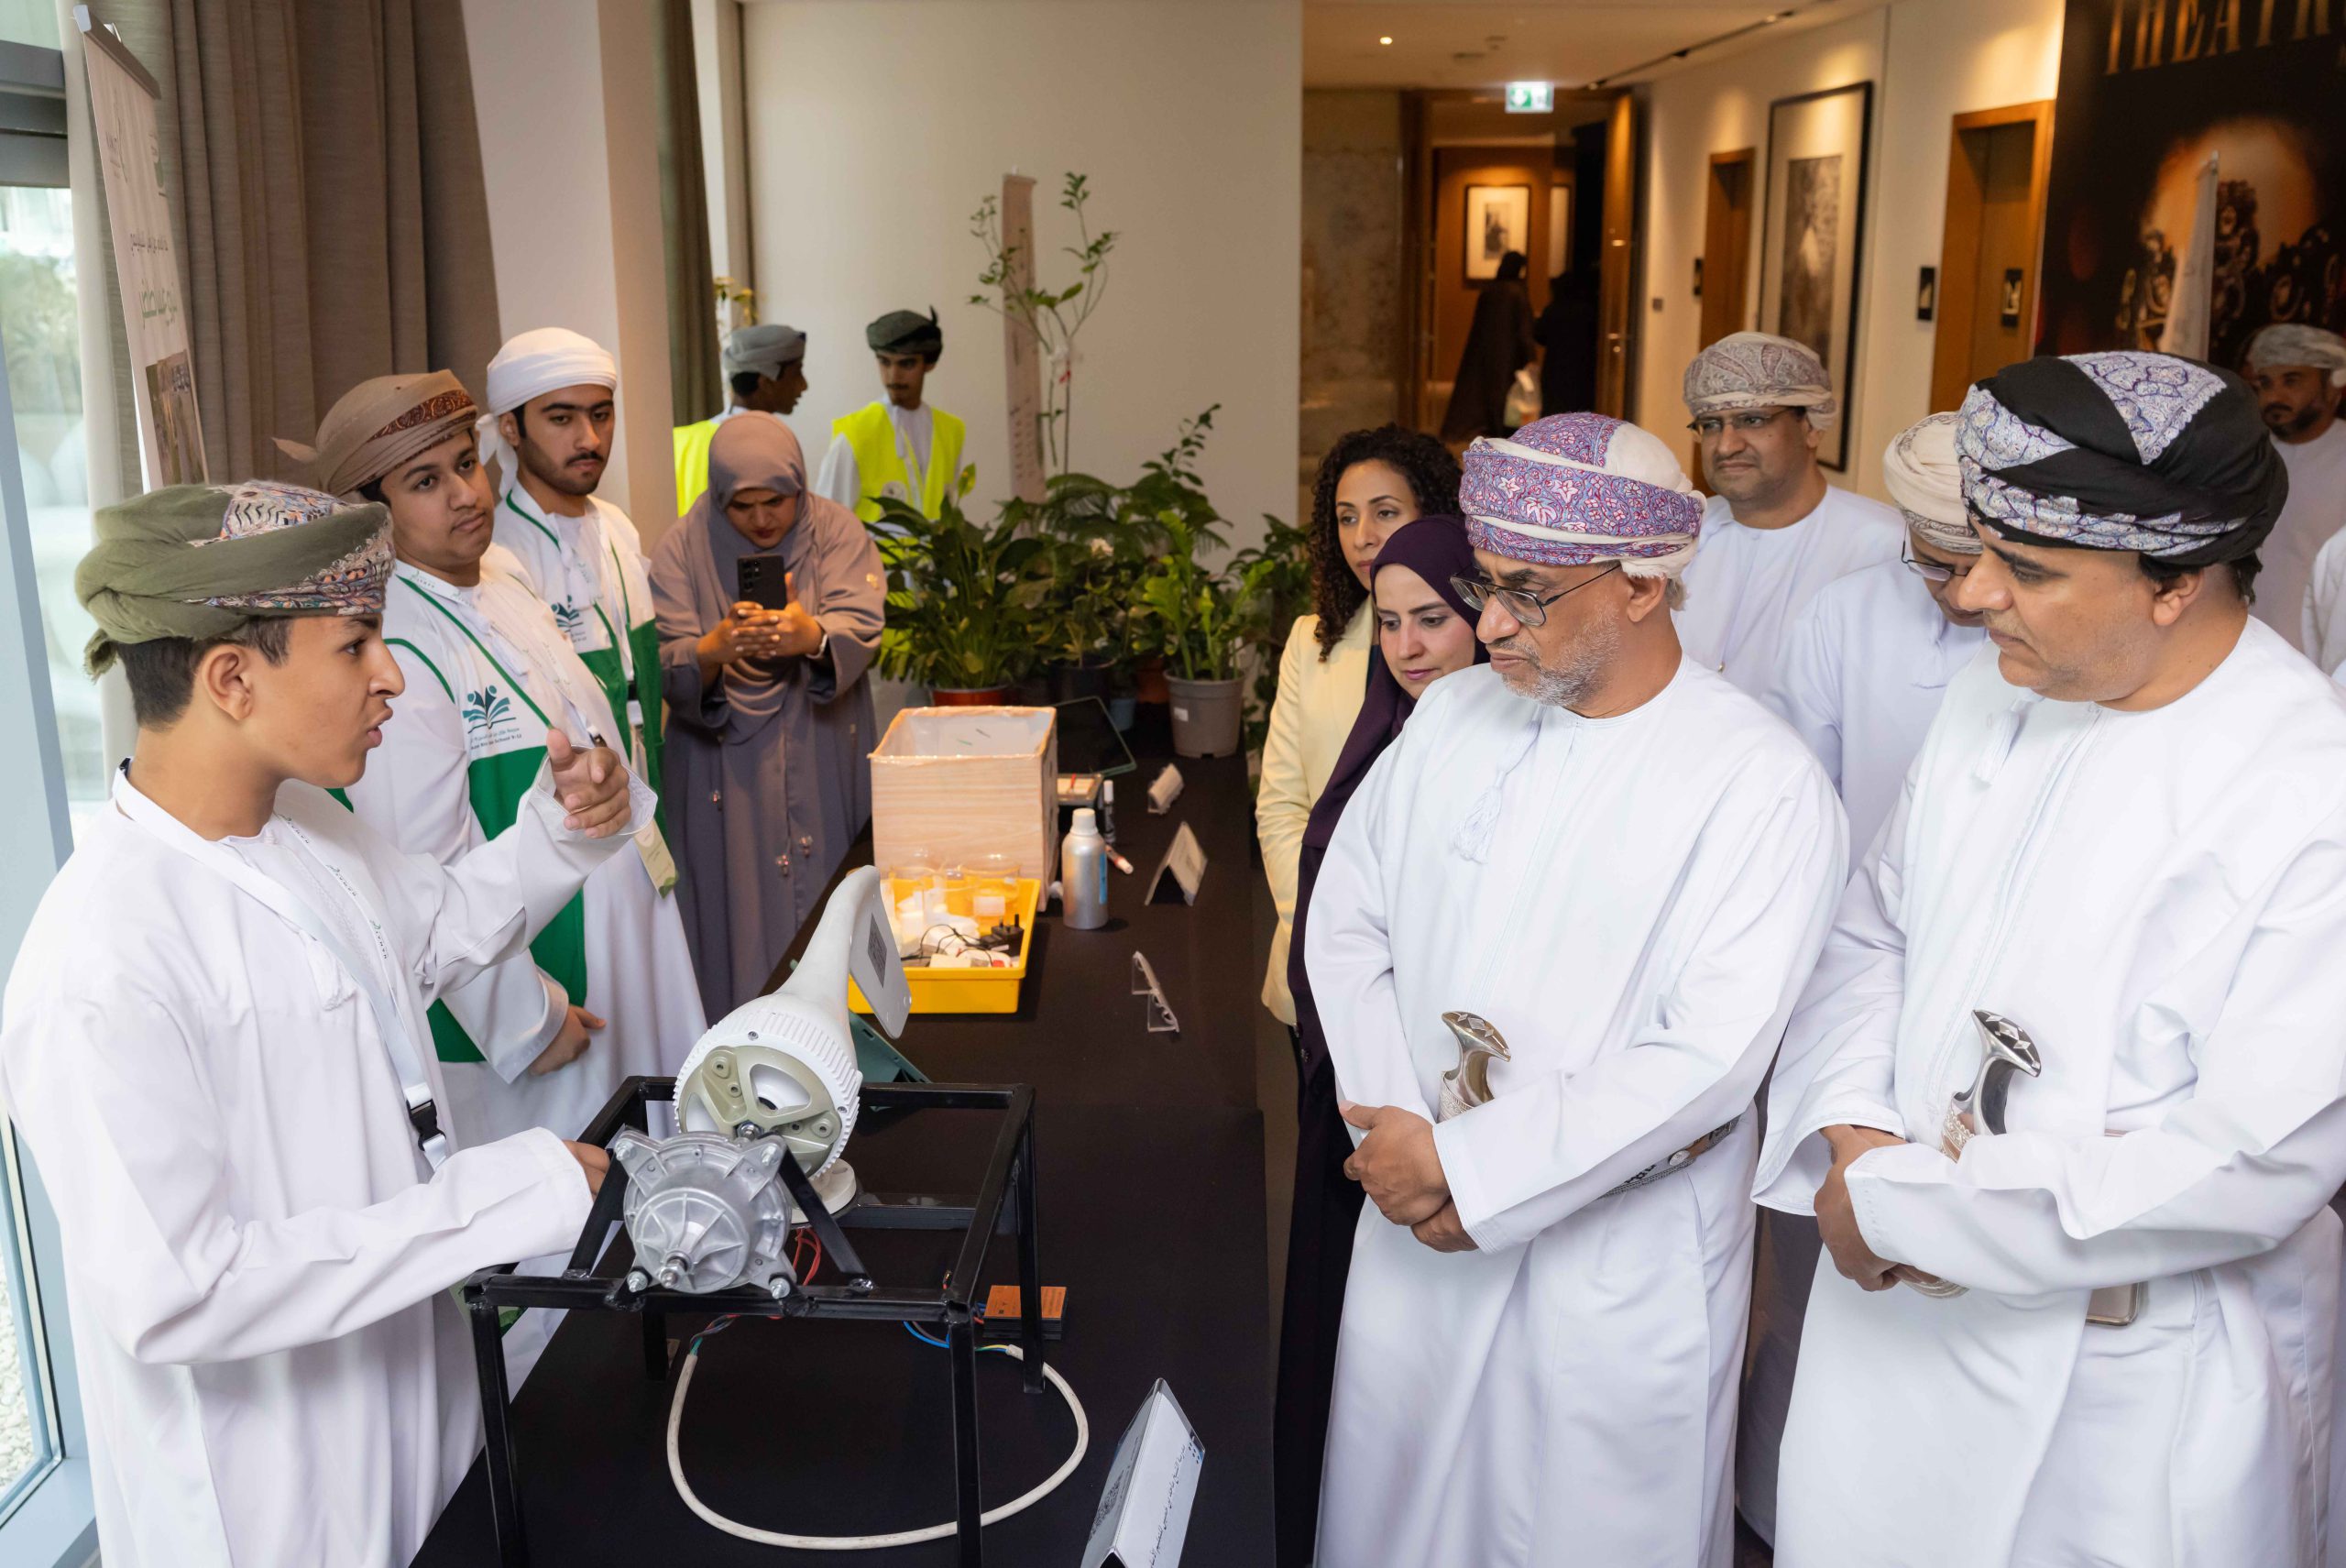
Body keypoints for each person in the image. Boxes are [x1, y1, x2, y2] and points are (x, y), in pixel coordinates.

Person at [1757, 351, 2346, 1567]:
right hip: (1892, 1320)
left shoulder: (2307, 785)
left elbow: (2252, 1158)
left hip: (2130, 1379)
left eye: (2025, 568)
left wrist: (1911, 1205)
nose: (1974, 596)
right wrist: (1858, 1137)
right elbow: (1876, 929)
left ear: (2174, 579)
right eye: (1978, 552)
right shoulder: (2001, 694)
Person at [0, 479, 644, 1567]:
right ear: (232, 678)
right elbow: (181, 1293)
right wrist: (494, 1199)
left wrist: (561, 827)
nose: (390, 673)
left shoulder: (301, 823)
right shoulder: (101, 959)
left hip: (424, 1416)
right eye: (355, 645)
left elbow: (437, 929)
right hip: (277, 1501)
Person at [1303, 411, 1845, 1567]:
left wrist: (1471, 1168)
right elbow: (1348, 921)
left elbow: (1709, 1057)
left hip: (1612, 1256)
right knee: (1394, 1509)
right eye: (1486, 585)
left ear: (1643, 584)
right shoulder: (1453, 715)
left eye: (1528, 593)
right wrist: (1394, 1121)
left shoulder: (1759, 781)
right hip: (1412, 1201)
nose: (1491, 623)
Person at [304, 371, 704, 1149]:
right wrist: (529, 1019)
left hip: (624, 942)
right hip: (549, 993)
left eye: (466, 463)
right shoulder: (396, 646)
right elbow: (421, 870)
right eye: (426, 481)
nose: (466, 494)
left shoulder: (503, 576)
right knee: (584, 1194)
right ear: (374, 513)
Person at [1735, 411, 1988, 1545]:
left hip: (1989, 1014)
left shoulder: (2054, 649)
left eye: (1974, 560)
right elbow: (1804, 821)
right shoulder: (1841, 616)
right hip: (1850, 982)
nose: (1961, 591)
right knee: (1819, 1290)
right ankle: (1776, 1510)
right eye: (1930, 563)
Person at [1273, 515, 1483, 1568]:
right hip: (1363, 1086)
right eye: (1389, 624)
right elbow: (1341, 917)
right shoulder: (1387, 731)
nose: (1406, 646)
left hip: (1458, 1112)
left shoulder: (1496, 745)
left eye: (1431, 619)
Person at [652, 414, 884, 1018]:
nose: (761, 520)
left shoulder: (835, 531)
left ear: (799, 486)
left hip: (818, 746)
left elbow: (861, 619)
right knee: (737, 915)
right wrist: (714, 649)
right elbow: (664, 657)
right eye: (742, 505)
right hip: (727, 777)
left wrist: (813, 636)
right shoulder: (683, 547)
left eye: (776, 501)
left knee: (831, 907)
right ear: (718, 497)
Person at [1256, 427, 1462, 1043]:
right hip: (1317, 959)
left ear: (1434, 514)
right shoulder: (1311, 641)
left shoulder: (1478, 644)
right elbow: (1282, 807)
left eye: (1385, 512)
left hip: (1439, 977)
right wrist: (1324, 929)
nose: (1363, 535)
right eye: (1346, 517)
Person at [480, 327, 667, 816]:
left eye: (601, 415)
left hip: (644, 788)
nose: (590, 439)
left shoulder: (619, 528)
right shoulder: (495, 557)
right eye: (561, 418)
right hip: (574, 812)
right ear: (511, 428)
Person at [1673, 331, 1902, 695]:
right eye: (1712, 424)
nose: (1727, 445)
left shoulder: (1885, 547)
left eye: (1753, 420)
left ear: (1810, 427)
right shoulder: (1678, 533)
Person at [2245, 325, 2346, 663]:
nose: (2274, 396)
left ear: (2333, 385)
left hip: (2318, 664)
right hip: (2237, 652)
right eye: (2265, 383)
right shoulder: (2248, 458)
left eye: (2292, 381)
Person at [815, 307, 968, 527]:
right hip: (869, 552)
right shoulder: (855, 433)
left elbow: (949, 510)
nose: (893, 376)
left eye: (907, 364)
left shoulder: (951, 430)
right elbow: (827, 523)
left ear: (929, 364)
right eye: (884, 362)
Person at [674, 322, 809, 513]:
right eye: (797, 373)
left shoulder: (681, 440)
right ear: (766, 382)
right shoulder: (772, 447)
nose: (804, 385)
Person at [1440, 250, 1537, 444]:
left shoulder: (1490, 290)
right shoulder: (1517, 292)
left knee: (1487, 391)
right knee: (1505, 393)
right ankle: (1503, 430)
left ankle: (1494, 427)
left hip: (1485, 351)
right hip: (1510, 354)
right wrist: (1530, 357)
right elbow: (1524, 328)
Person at [1535, 267, 1599, 416]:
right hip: (1581, 365)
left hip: (1555, 365)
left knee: (1554, 405)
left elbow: (1539, 336)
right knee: (1578, 405)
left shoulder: (1552, 310)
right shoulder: (1587, 311)